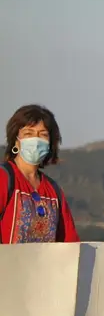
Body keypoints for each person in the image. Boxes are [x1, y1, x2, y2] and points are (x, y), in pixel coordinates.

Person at [0, 104, 78, 244]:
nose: (35, 140)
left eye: (42, 134)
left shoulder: (54, 191)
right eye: (28, 133)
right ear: (16, 141)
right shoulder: (4, 177)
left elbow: (69, 243)